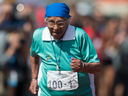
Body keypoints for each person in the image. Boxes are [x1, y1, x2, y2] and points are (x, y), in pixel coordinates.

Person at [29, 3, 101, 96]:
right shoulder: (39, 35)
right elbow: (33, 54)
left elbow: (97, 66)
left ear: (68, 21)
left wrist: (83, 66)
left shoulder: (79, 35)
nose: (55, 28)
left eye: (60, 23)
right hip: (47, 93)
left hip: (81, 93)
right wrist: (34, 79)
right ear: (45, 22)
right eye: (51, 22)